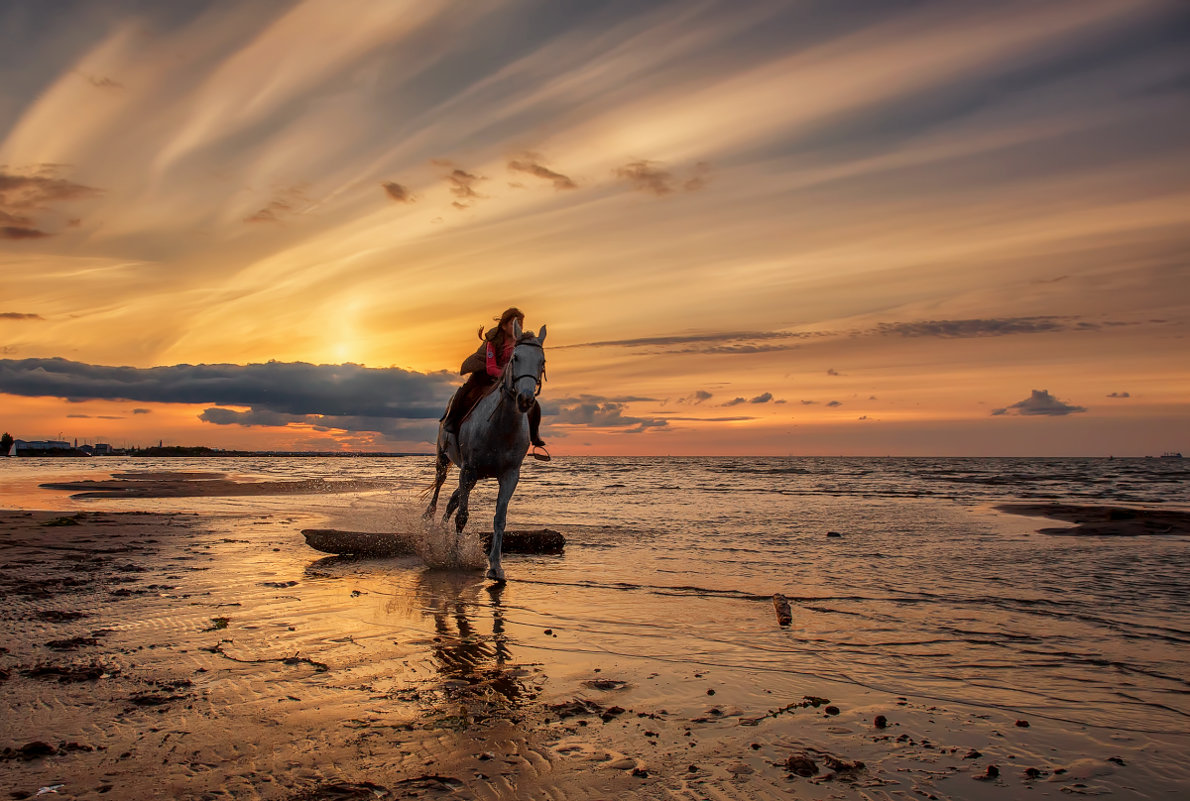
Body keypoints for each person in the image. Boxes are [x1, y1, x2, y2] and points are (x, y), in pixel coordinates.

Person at [442, 307, 546, 448]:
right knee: (463, 392)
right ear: (503, 325)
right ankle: (450, 422)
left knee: (534, 405)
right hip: (485, 376)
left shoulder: (521, 345)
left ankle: (534, 435)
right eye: (514, 323)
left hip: (508, 381)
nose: (518, 326)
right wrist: (503, 375)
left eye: (520, 323)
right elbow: (491, 368)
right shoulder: (493, 341)